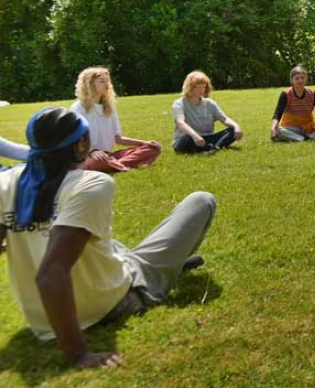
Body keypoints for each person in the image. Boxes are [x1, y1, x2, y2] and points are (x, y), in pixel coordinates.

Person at [0, 107, 216, 369]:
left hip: (43, 320)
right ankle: (166, 268)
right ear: (81, 145)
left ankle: (169, 264)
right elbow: (51, 274)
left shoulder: (5, 183)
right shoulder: (91, 184)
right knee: (202, 201)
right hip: (115, 301)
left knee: (107, 243)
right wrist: (78, 354)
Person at [69, 67, 161, 173]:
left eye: (107, 81)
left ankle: (115, 164)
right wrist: (92, 151)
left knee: (153, 149)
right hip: (88, 156)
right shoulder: (78, 108)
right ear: (89, 84)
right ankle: (117, 165)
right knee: (98, 162)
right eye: (102, 81)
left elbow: (118, 139)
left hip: (108, 156)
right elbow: (74, 140)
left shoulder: (109, 107)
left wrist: (145, 143)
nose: (107, 84)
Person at [172, 71, 243, 153]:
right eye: (198, 86)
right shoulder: (179, 103)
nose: (201, 89)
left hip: (207, 138)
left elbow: (225, 119)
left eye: (204, 86)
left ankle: (214, 149)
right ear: (190, 87)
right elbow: (180, 122)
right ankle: (212, 147)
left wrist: (236, 126)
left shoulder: (210, 103)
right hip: (189, 138)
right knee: (187, 138)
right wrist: (195, 136)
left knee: (232, 131)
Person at [270, 66, 315, 142]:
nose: (300, 81)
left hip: (310, 128)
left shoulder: (313, 93)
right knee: (277, 130)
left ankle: (302, 137)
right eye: (297, 78)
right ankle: (306, 138)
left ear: (306, 79)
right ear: (291, 80)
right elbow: (277, 114)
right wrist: (273, 128)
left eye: (302, 78)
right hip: (291, 128)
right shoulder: (285, 94)